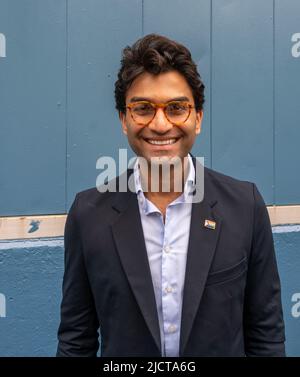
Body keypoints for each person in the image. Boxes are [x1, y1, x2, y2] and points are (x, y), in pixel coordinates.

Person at [57, 34, 285, 357]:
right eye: (143, 108)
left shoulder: (245, 208)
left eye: (177, 108)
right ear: (124, 120)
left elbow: (266, 339)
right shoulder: (87, 215)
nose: (161, 124)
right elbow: (75, 343)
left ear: (198, 118)